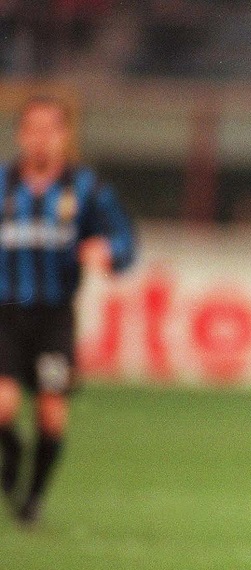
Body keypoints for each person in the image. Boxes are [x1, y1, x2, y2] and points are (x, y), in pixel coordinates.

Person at [0, 95, 134, 524]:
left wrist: (108, 251)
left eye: (50, 130)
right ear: (20, 135)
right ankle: (11, 452)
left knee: (52, 415)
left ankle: (34, 498)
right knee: (3, 406)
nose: (41, 139)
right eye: (33, 129)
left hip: (55, 318)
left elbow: (124, 240)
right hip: (4, 315)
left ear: (64, 136)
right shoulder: (2, 185)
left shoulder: (86, 189)